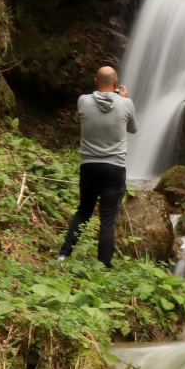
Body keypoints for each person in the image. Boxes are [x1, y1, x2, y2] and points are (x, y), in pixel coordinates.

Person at [58, 65, 137, 266]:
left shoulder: (83, 101)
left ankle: (64, 255)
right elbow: (132, 128)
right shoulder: (126, 104)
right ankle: (104, 265)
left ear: (95, 82)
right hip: (114, 168)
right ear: (116, 83)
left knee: (84, 211)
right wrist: (124, 98)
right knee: (107, 221)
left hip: (89, 166)